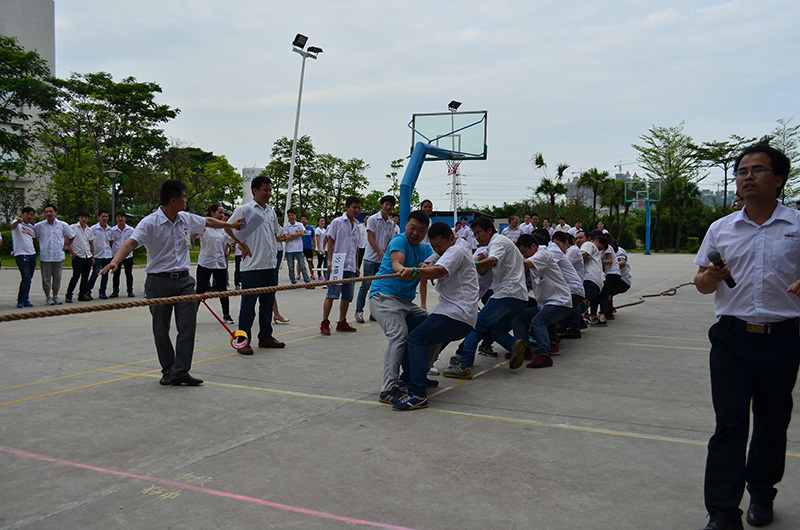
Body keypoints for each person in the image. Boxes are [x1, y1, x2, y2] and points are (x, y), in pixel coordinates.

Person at [693, 145, 800, 530]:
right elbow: (702, 283)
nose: (747, 176)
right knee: (730, 424)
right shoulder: (720, 229)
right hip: (731, 339)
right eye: (742, 171)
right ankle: (723, 512)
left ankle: (762, 491)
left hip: (782, 339)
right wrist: (711, 277)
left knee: (772, 421)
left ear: (779, 179)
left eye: (757, 170)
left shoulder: (797, 225)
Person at [101, 180, 243, 386]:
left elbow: (208, 222)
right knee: (161, 328)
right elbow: (131, 243)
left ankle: (181, 370)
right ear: (173, 200)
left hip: (184, 281)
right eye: (184, 197)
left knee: (187, 326)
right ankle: (168, 369)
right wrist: (115, 262)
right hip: (158, 282)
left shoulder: (185, 218)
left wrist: (228, 225)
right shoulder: (149, 223)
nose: (186, 200)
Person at [392, 222, 479, 411]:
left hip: (458, 314)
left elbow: (439, 271)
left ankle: (417, 393)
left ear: (451, 238)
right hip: (450, 311)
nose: (437, 249)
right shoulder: (447, 249)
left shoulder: (456, 250)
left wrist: (415, 271)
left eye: (440, 245)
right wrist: (427, 263)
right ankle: (411, 378)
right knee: (413, 325)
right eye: (434, 246)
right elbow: (434, 260)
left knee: (416, 338)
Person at [444, 217, 528, 379]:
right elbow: (482, 258)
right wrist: (476, 263)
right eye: (474, 234)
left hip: (506, 294)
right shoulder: (497, 243)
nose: (477, 237)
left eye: (479, 233)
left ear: (489, 230)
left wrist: (469, 266)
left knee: (475, 328)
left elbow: (493, 260)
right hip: (520, 298)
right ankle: (514, 345)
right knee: (498, 332)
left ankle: (464, 366)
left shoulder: (498, 242)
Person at [368, 210, 432, 404]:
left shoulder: (424, 248)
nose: (415, 233)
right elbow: (397, 262)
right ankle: (388, 388)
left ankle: (414, 376)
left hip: (405, 303)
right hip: (383, 297)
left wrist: (428, 264)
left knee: (435, 326)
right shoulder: (399, 240)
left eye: (421, 230)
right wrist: (402, 269)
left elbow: (438, 259)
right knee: (398, 333)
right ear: (406, 225)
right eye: (412, 228)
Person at [226, 176, 286, 355]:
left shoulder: (270, 212)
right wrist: (240, 243)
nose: (269, 193)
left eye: (270, 190)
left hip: (269, 265)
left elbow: (276, 232)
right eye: (265, 190)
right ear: (255, 190)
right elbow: (228, 229)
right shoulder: (244, 210)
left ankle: (265, 336)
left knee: (267, 305)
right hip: (251, 267)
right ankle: (243, 340)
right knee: (248, 307)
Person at [505, 233, 573, 368]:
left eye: (524, 252)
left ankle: (544, 356)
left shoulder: (543, 254)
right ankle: (525, 350)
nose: (524, 255)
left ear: (534, 246)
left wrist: (505, 259)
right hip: (546, 304)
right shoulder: (534, 256)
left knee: (538, 321)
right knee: (517, 318)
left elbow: (525, 264)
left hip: (560, 301)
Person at [321, 196, 362, 335]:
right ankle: (325, 322)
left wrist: (356, 265)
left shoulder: (357, 226)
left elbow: (356, 247)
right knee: (332, 294)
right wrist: (330, 261)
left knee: (347, 296)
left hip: (350, 265)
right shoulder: (337, 222)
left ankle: (342, 321)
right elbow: (330, 242)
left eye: (358, 208)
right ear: (347, 207)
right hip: (338, 263)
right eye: (354, 207)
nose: (356, 210)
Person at [356, 195, 397, 323]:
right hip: (371, 258)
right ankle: (359, 311)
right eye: (386, 204)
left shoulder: (391, 223)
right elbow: (370, 237)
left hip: (383, 259)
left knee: (379, 287)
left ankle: (374, 312)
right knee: (365, 285)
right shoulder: (373, 219)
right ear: (382, 205)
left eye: (391, 205)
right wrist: (380, 252)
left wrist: (387, 254)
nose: (388, 207)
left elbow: (390, 240)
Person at [196, 204, 235, 325]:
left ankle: (226, 314)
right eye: (220, 212)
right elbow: (190, 237)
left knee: (223, 290)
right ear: (212, 213)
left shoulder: (223, 229)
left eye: (223, 213)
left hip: (220, 263)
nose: (222, 215)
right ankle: (192, 314)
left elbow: (232, 240)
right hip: (205, 262)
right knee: (200, 290)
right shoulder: (204, 227)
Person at [33, 204, 76, 306]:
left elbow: (72, 235)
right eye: (46, 212)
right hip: (45, 256)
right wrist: (40, 243)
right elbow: (33, 236)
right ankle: (48, 297)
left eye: (50, 211)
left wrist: (67, 246)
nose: (48, 213)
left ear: (55, 212)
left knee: (57, 277)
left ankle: (55, 296)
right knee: (46, 278)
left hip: (58, 255)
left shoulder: (62, 225)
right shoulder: (39, 226)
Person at [65, 210, 95, 303]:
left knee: (85, 277)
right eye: (82, 217)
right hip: (77, 256)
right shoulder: (72, 227)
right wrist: (72, 253)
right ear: (78, 218)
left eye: (85, 217)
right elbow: (67, 241)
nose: (83, 219)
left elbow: (91, 244)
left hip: (87, 255)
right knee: (76, 275)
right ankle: (69, 295)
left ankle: (82, 294)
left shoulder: (89, 230)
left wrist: (92, 256)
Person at [12, 207, 37, 308]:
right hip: (21, 254)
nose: (29, 216)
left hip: (32, 254)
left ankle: (26, 298)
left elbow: (35, 239)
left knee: (29, 278)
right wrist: (18, 221)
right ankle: (21, 299)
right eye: (27, 214)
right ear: (22, 214)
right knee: (25, 277)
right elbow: (13, 226)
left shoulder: (32, 227)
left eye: (31, 214)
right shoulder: (17, 223)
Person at [86, 210, 114, 299]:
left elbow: (111, 242)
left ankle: (102, 292)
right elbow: (89, 242)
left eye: (106, 216)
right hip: (97, 255)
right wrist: (92, 255)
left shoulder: (110, 229)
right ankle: (87, 291)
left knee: (105, 275)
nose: (105, 218)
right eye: (103, 216)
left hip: (107, 255)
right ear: (99, 217)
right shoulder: (93, 229)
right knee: (95, 273)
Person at [282, 209, 313, 286]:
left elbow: (302, 233)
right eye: (289, 215)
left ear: (295, 216)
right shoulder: (286, 226)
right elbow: (286, 237)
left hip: (299, 249)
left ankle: (307, 282)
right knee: (291, 267)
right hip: (289, 250)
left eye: (292, 215)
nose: (291, 217)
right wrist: (297, 234)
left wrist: (291, 235)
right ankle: (293, 282)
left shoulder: (299, 225)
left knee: (303, 266)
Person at [110, 211, 135, 298]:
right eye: (118, 217)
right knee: (116, 274)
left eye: (122, 217)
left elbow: (134, 242)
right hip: (117, 255)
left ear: (125, 218)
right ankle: (115, 291)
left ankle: (130, 291)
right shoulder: (113, 230)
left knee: (129, 274)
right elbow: (111, 242)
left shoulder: (131, 230)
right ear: (116, 219)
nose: (120, 219)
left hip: (128, 255)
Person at [300, 215, 316, 279]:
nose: (303, 220)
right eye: (302, 219)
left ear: (307, 220)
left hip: (308, 247)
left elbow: (313, 238)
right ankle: (298, 274)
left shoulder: (310, 228)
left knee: (310, 261)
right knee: (300, 262)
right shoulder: (299, 228)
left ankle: (312, 274)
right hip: (300, 247)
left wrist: (314, 246)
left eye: (304, 219)